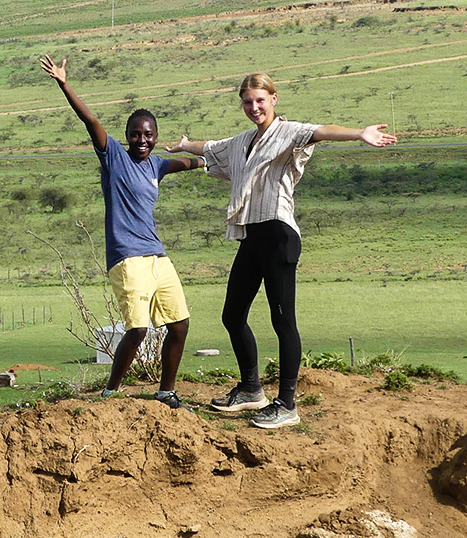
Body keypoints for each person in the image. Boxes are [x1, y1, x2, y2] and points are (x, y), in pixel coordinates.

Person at [166, 72, 396, 428]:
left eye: (260, 100)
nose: (254, 107)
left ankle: (287, 404)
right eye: (247, 102)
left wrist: (359, 133)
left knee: (282, 320)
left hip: (278, 235)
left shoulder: (288, 132)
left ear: (274, 99)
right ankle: (250, 389)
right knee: (232, 314)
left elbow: (321, 130)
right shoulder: (242, 140)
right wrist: (184, 145)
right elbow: (211, 148)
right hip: (251, 236)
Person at [41, 54, 207, 410]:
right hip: (127, 257)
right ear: (127, 136)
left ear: (156, 136)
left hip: (157, 256)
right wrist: (64, 83)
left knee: (179, 324)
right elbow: (91, 120)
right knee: (138, 329)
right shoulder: (114, 156)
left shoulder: (157, 166)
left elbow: (191, 163)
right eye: (136, 134)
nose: (141, 139)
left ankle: (166, 391)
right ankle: (111, 391)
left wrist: (213, 158)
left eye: (148, 134)